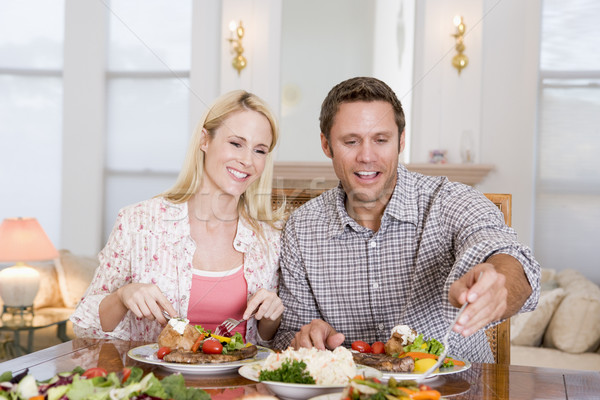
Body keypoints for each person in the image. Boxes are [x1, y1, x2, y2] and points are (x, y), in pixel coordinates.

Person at [273, 77, 541, 363]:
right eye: (351, 141)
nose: (366, 156)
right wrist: (307, 336)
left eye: (381, 140)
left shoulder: (451, 201)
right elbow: (287, 334)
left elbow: (506, 254)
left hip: (460, 390)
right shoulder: (301, 228)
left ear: (401, 141)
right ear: (327, 145)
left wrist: (500, 281)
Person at [71, 90, 285, 345]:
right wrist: (122, 296)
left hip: (239, 382)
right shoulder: (137, 222)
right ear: (205, 140)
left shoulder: (269, 239)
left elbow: (266, 344)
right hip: (156, 382)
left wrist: (270, 320)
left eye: (259, 151)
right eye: (236, 144)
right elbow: (85, 327)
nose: (247, 160)